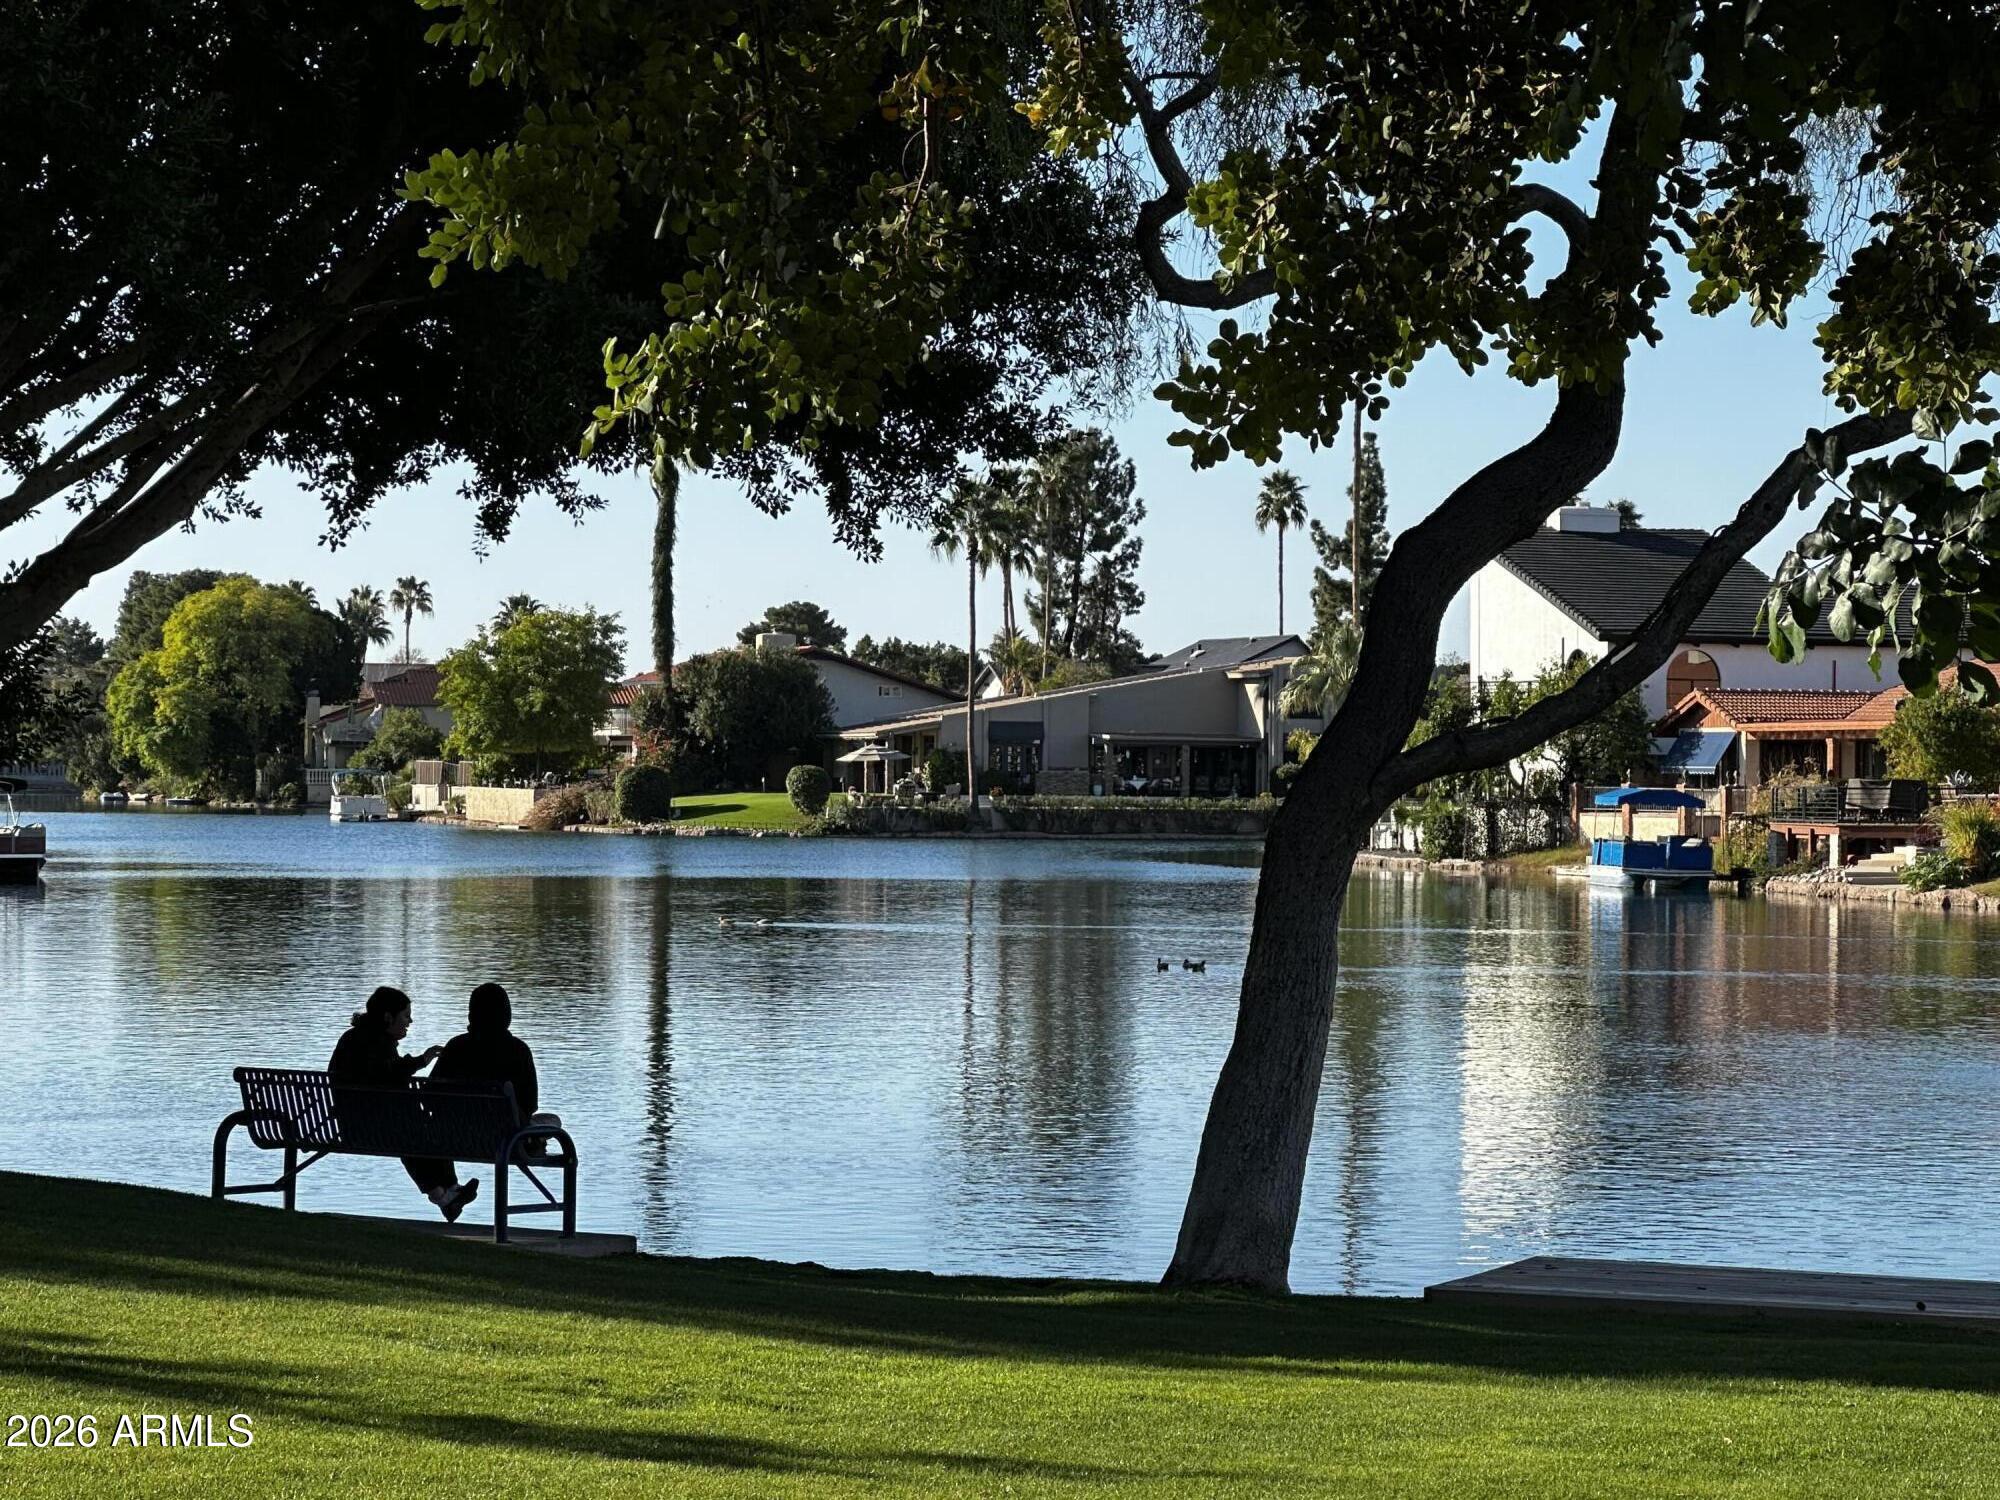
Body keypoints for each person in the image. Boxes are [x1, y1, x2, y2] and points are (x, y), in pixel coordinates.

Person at [327, 985, 479, 1222]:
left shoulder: (354, 1038)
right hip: (369, 1129)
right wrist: (421, 1061)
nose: (410, 1021)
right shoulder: (376, 1044)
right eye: (406, 1015)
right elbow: (385, 1076)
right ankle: (447, 1191)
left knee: (414, 1126)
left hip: (353, 1125)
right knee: (423, 1127)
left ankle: (447, 1194)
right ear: (388, 1017)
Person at [433, 982, 562, 1153]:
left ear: (472, 1014)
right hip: (506, 1139)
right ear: (506, 1014)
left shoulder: (454, 1047)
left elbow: (432, 1095)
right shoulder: (518, 1050)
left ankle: (448, 1181)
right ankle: (533, 1141)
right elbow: (530, 1104)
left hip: (455, 1135)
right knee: (552, 1120)